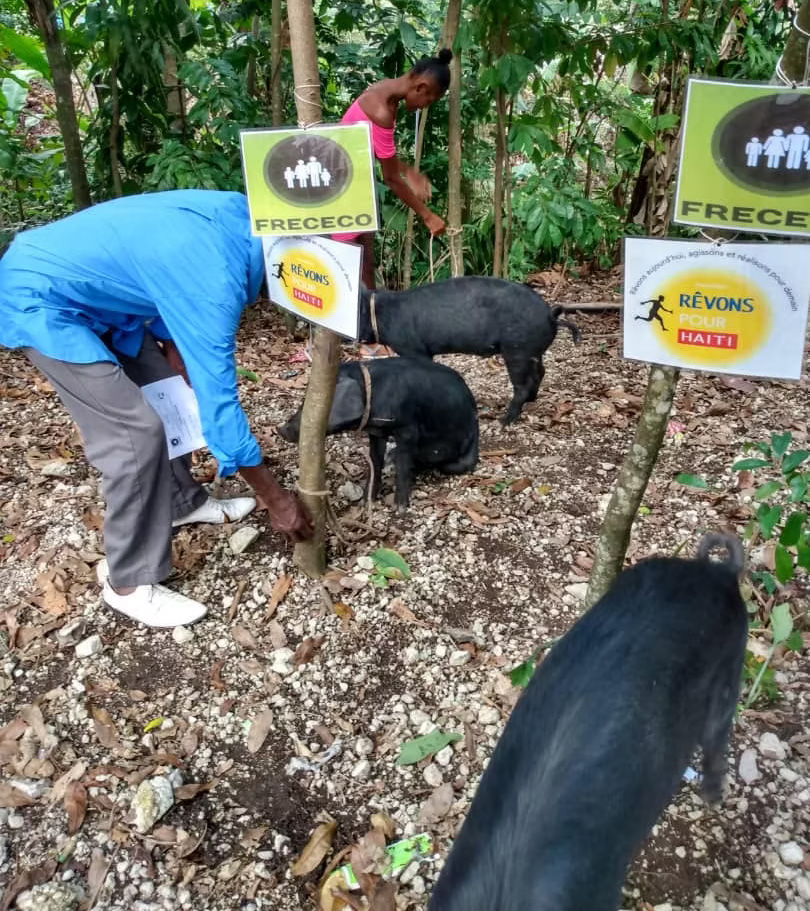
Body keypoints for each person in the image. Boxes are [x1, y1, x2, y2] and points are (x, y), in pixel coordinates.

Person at [0, 190, 313, 628]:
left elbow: (159, 268)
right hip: (42, 296)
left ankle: (182, 501)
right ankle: (127, 581)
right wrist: (275, 498)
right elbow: (219, 405)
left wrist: (169, 340)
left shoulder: (247, 213)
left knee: (164, 388)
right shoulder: (215, 281)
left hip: (105, 299)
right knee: (134, 432)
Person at [334, 48, 453, 291]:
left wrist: (409, 172)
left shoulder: (386, 89)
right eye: (428, 101)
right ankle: (354, 325)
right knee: (348, 265)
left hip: (355, 185)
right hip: (341, 189)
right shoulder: (382, 111)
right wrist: (427, 216)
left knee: (365, 257)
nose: (423, 106)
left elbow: (377, 150)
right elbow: (390, 177)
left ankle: (372, 319)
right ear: (420, 87)